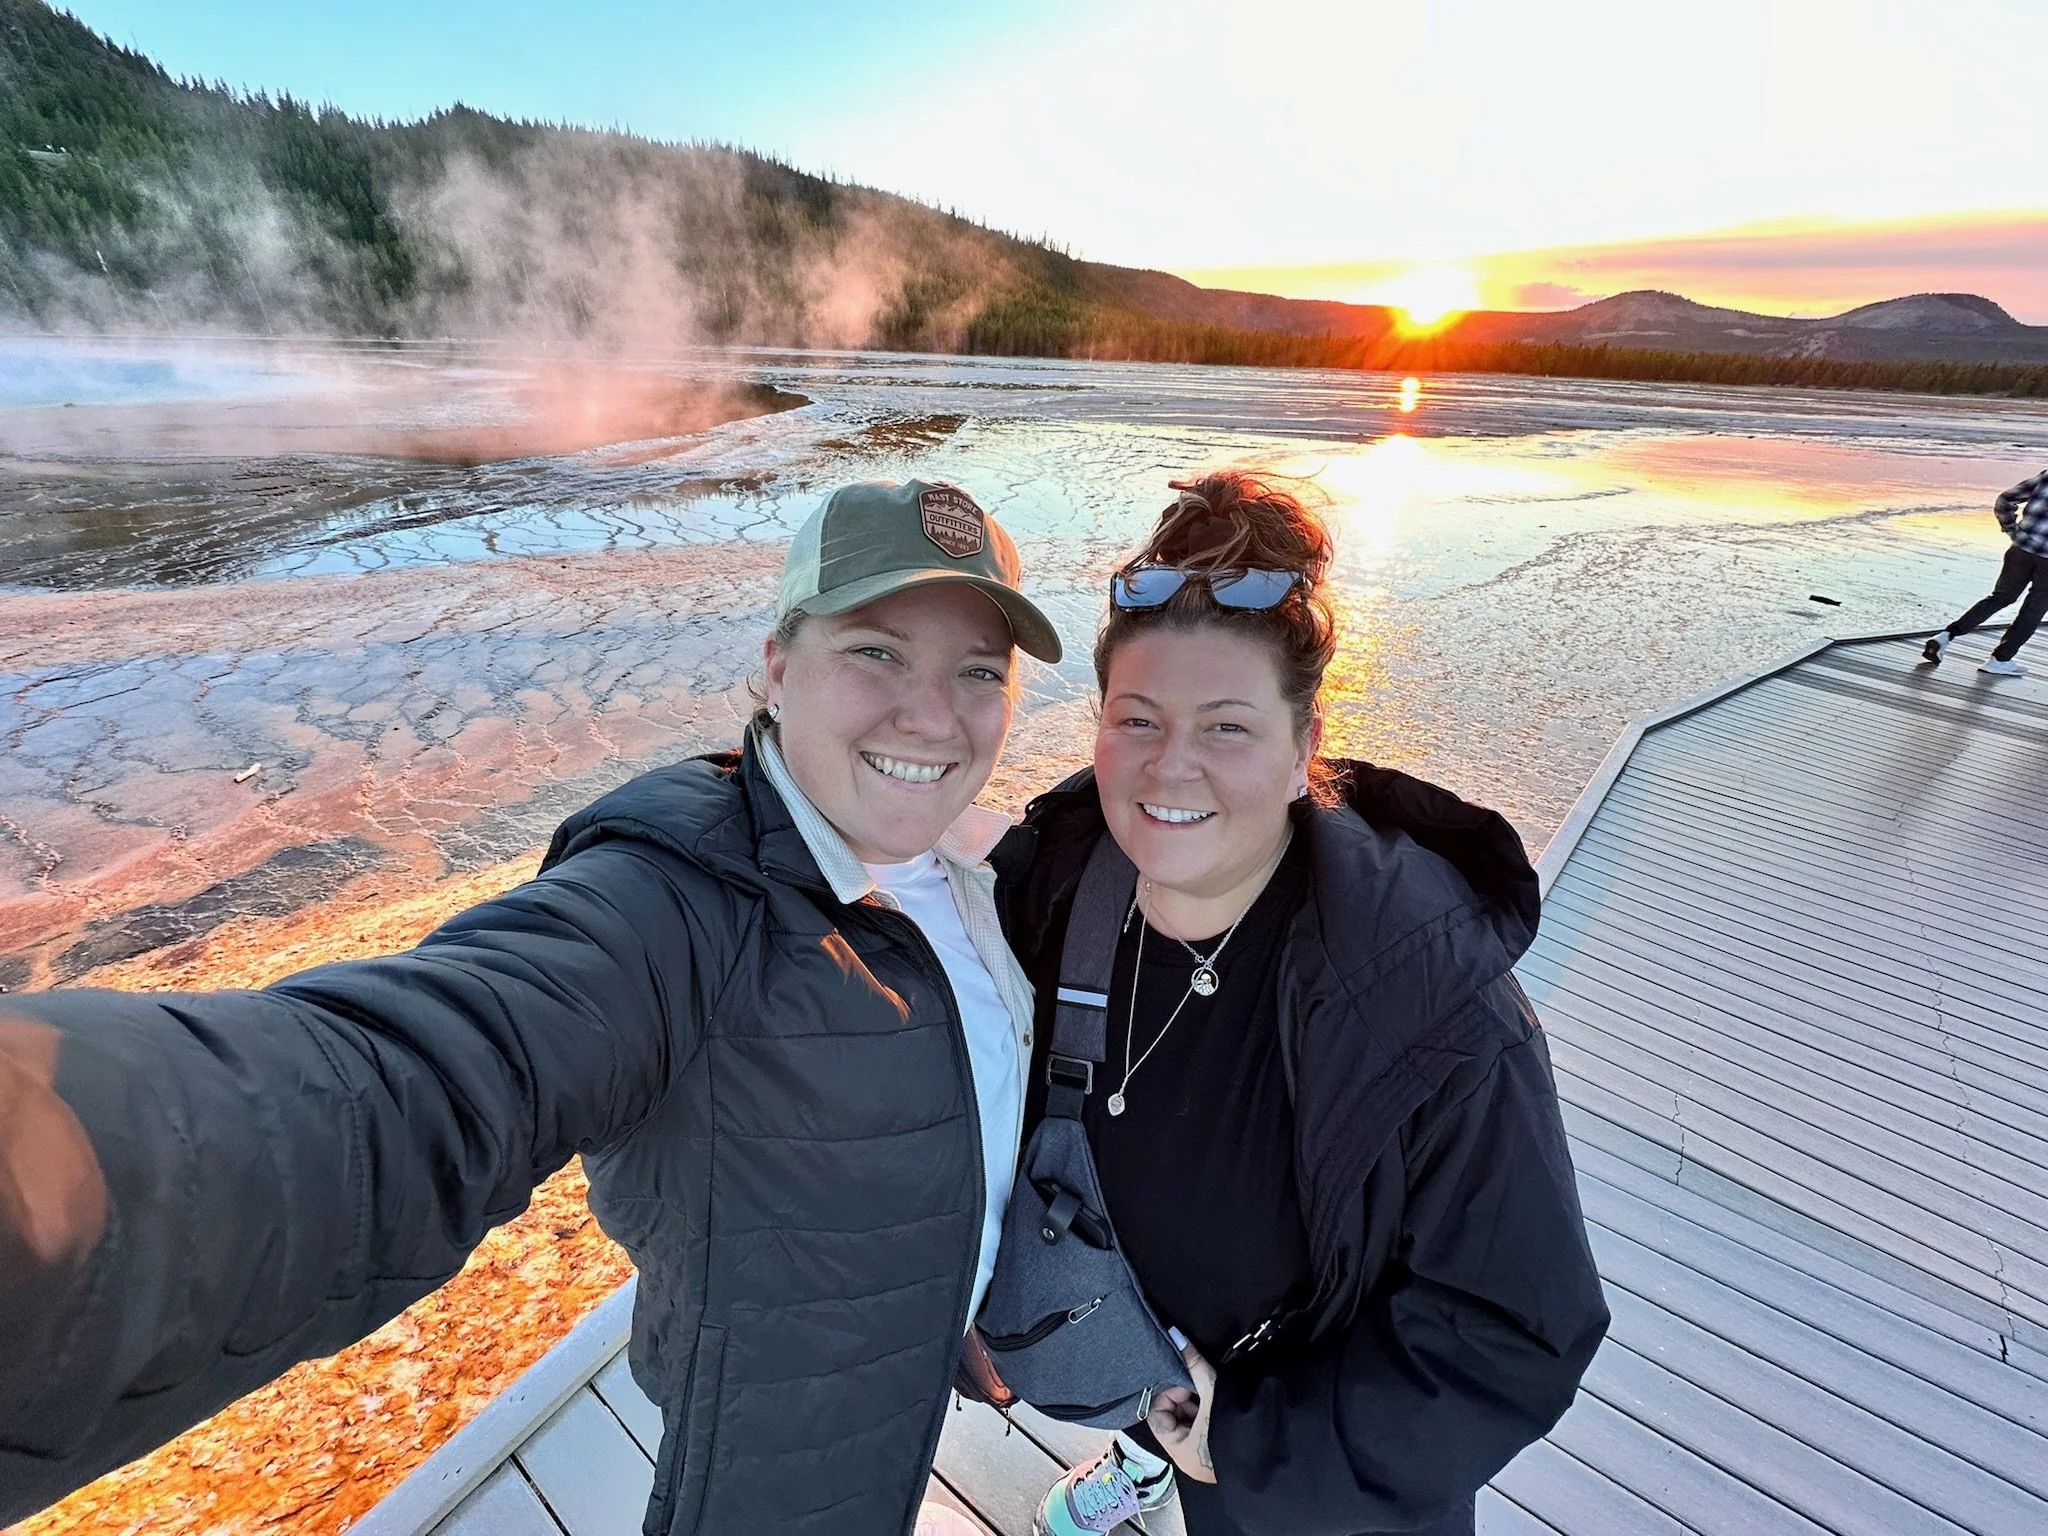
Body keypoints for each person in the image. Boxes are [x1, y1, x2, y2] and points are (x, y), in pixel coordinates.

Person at [0, 479, 1063, 1536]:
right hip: (785, 1467)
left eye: (978, 671)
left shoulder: (977, 871)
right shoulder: (673, 904)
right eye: (876, 652)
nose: (933, 715)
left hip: (911, 1384)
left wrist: (950, 1288)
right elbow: (410, 1083)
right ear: (777, 667)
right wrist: (46, 1179)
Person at [993, 474, 1609, 1536]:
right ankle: (1143, 1461)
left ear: (1302, 745)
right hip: (1153, 1387)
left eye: (1225, 727)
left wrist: (1246, 1448)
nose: (1168, 765)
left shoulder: (1425, 1006)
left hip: (1320, 1477)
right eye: (1135, 718)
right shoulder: (1051, 892)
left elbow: (1514, 1329)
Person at [1923, 469, 2048, 676]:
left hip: (2020, 550)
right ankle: (2000, 659)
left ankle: (1945, 636)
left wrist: (2012, 530)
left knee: (1999, 598)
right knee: (2033, 611)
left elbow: (2005, 500)